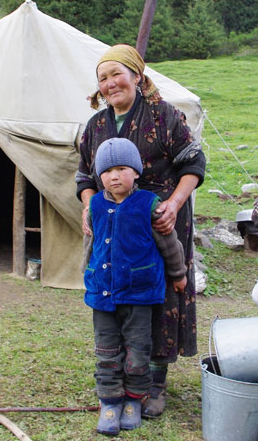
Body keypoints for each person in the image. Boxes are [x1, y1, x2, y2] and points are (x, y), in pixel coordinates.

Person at [76, 44, 206, 418]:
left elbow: (193, 164)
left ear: (136, 76)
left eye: (117, 74)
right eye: (103, 78)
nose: (110, 83)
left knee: (161, 296)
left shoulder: (165, 115)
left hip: (161, 218)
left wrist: (174, 204)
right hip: (115, 226)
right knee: (116, 295)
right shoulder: (95, 126)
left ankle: (154, 382)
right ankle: (116, 378)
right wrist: (89, 204)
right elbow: (84, 175)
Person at [83, 137, 188, 435]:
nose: (114, 176)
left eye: (121, 169)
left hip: (139, 293)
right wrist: (86, 272)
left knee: (138, 350)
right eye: (107, 171)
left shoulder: (149, 205)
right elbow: (90, 243)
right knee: (106, 350)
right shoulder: (95, 204)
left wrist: (178, 274)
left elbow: (170, 243)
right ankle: (110, 401)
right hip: (102, 293)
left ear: (137, 172)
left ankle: (133, 399)